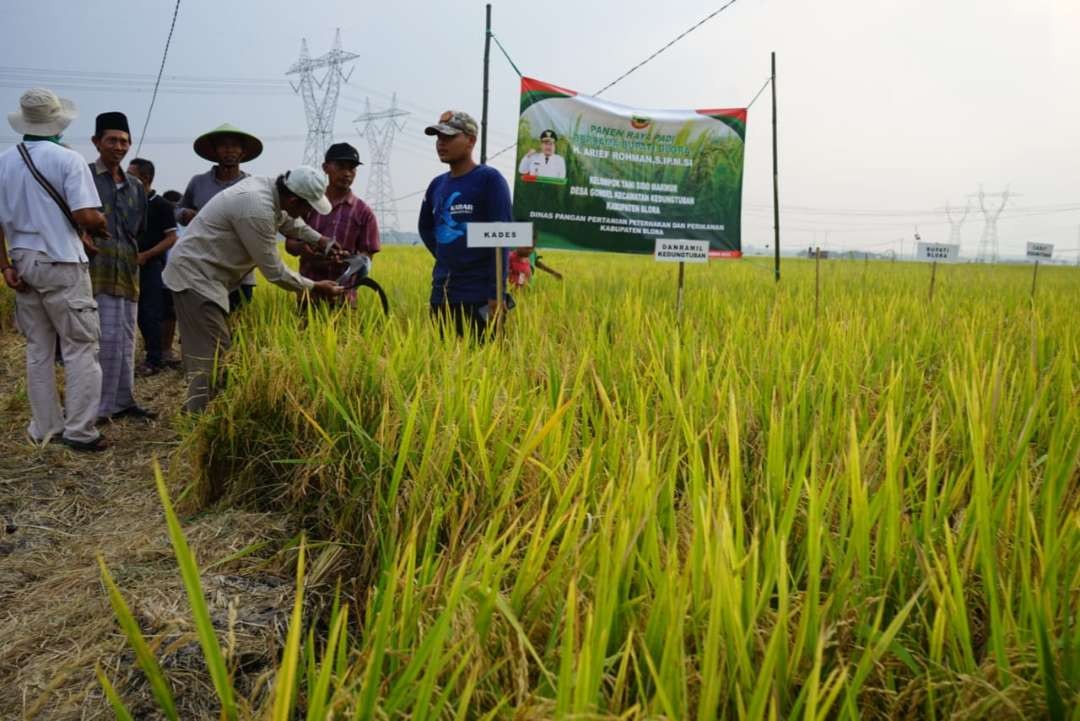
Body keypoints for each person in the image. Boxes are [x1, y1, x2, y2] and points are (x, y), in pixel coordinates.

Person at [163, 167, 344, 412]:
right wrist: (314, 287)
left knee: (214, 353)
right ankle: (198, 420)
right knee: (211, 358)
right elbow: (275, 271)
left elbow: (290, 221)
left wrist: (320, 240)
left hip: (210, 277)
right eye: (308, 207)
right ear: (293, 199)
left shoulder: (271, 190)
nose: (308, 213)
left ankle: (206, 413)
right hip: (196, 277)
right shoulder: (255, 209)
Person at [0, 88, 110, 451]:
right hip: (62, 261)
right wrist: (99, 224)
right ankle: (80, 431)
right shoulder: (68, 159)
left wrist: (5, 267)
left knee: (39, 349)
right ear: (56, 121)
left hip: (23, 263)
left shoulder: (3, 161)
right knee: (80, 347)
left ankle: (44, 427)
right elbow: (83, 214)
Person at [418, 110, 514, 339]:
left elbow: (503, 237)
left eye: (449, 137)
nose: (441, 143)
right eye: (438, 138)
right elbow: (425, 228)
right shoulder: (437, 185)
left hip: (479, 297)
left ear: (471, 140)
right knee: (442, 366)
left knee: (484, 368)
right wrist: (448, 255)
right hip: (441, 294)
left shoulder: (489, 180)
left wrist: (496, 295)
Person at [88, 111, 154, 422]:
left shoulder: (136, 186)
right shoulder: (84, 177)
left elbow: (138, 228)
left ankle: (124, 401)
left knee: (127, 339)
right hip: (95, 272)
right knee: (101, 340)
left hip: (127, 270)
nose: (119, 146)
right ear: (96, 142)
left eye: (124, 141)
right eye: (112, 140)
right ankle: (99, 407)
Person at [178, 123, 262, 312]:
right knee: (205, 327)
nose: (229, 150)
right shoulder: (198, 182)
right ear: (215, 151)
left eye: (235, 146)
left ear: (243, 152)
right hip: (202, 271)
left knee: (236, 329)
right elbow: (178, 209)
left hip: (241, 274)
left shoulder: (253, 186)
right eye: (224, 146)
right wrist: (185, 214)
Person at [284, 142, 379, 307]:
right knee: (304, 332)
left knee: (344, 334)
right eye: (341, 166)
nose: (347, 173)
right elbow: (290, 243)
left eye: (352, 168)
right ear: (325, 167)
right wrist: (304, 250)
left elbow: (367, 255)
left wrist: (350, 260)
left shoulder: (363, 212)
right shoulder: (308, 203)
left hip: (344, 296)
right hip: (309, 292)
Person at [126, 158, 177, 375]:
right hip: (127, 266)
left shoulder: (161, 205)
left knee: (150, 313)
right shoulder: (127, 201)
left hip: (152, 266)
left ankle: (155, 359)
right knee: (134, 314)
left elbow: (171, 238)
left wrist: (146, 255)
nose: (125, 178)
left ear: (145, 178)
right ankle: (149, 353)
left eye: (131, 174)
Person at [158, 189, 182, 365]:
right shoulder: (162, 224)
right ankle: (164, 350)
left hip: (183, 276)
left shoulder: (187, 225)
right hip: (163, 275)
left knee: (176, 315)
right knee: (167, 314)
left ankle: (177, 351)